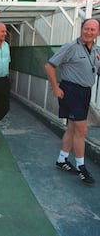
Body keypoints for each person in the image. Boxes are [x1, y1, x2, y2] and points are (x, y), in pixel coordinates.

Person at [44, 18, 100, 184]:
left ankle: (62, 160)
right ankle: (82, 167)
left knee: (72, 128)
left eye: (93, 30)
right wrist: (56, 88)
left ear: (97, 33)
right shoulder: (70, 47)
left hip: (85, 92)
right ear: (81, 29)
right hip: (71, 91)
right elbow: (49, 66)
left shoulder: (96, 50)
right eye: (86, 29)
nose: (89, 32)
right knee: (82, 130)